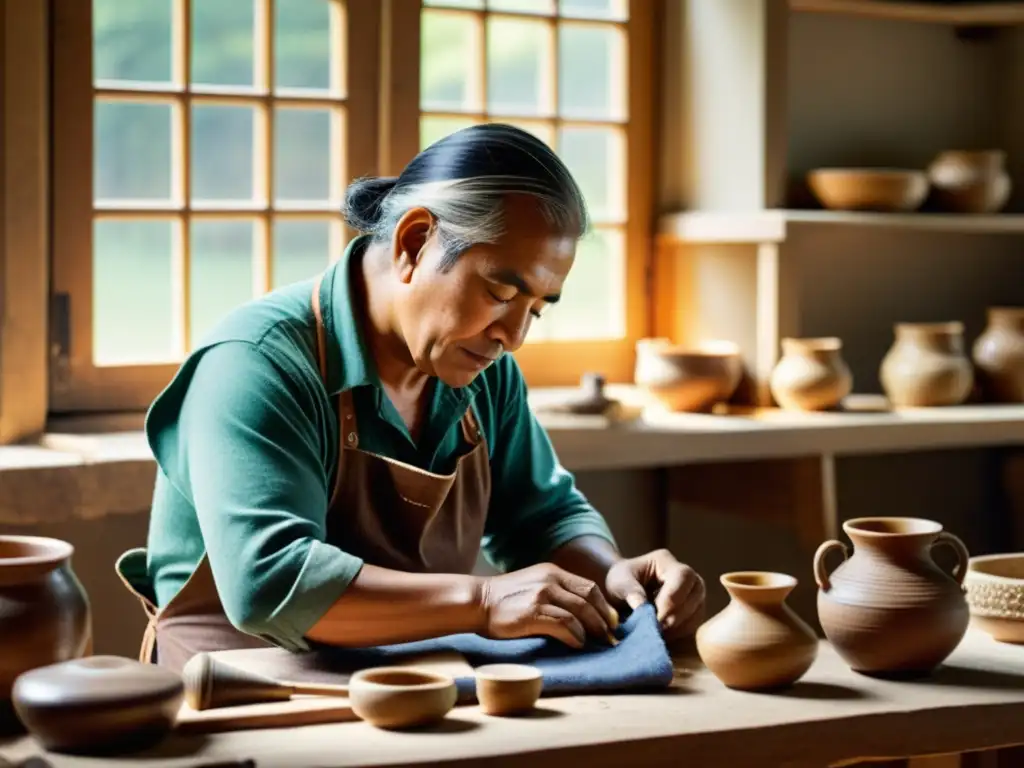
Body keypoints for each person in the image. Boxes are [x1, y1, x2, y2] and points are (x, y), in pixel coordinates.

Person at [116, 123, 706, 673]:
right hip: (237, 691)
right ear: (415, 242)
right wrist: (481, 599)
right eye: (502, 291)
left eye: (535, 310)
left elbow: (542, 514)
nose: (514, 337)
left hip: (405, 684)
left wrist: (611, 575)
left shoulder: (482, 370)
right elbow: (270, 582)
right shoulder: (256, 362)